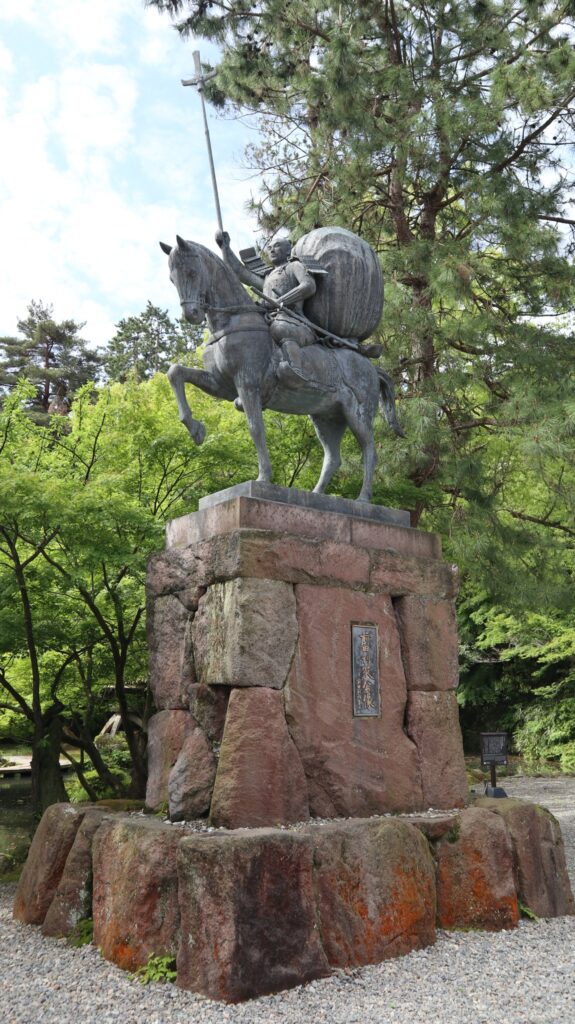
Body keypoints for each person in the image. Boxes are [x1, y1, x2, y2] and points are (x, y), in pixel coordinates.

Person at [215, 231, 318, 362]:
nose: (272, 250)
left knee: (280, 328)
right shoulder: (268, 276)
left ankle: (295, 369)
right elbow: (240, 272)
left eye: (277, 246)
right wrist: (226, 248)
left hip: (294, 321)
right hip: (269, 319)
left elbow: (309, 286)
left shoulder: (294, 266)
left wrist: (279, 302)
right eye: (269, 248)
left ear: (288, 251)